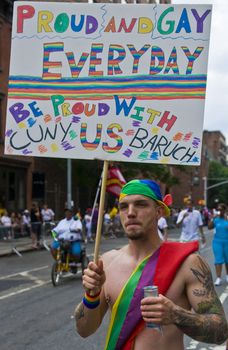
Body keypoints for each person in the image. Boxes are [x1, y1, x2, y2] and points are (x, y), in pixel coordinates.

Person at [74, 179, 228, 350]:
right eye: (124, 206)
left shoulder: (188, 263)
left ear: (159, 211)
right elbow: (84, 330)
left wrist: (176, 315)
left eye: (141, 204)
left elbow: (220, 330)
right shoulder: (106, 262)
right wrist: (91, 295)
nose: (130, 212)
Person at [208, 203, 228, 286]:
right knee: (218, 260)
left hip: (227, 241)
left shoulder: (227, 219)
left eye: (221, 210)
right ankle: (218, 278)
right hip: (217, 242)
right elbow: (209, 227)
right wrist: (212, 218)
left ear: (224, 210)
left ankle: (227, 276)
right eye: (218, 210)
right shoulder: (216, 219)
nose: (219, 211)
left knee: (227, 260)